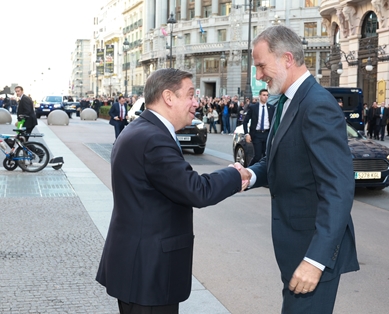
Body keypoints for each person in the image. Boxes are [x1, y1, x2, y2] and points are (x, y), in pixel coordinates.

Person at [96, 68, 250, 314]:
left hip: (138, 266)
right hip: (149, 272)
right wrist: (234, 174)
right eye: (190, 95)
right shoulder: (153, 138)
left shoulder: (140, 129)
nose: (196, 103)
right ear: (168, 97)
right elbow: (196, 190)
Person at [244, 25, 359, 313]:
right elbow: (280, 160)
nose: (258, 76)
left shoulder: (317, 104)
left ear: (286, 59)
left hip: (312, 255)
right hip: (296, 250)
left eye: (261, 66)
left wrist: (316, 260)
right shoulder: (286, 101)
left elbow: (338, 189)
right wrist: (252, 174)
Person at [243, 89, 275, 166]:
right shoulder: (253, 107)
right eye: (264, 95)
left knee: (266, 156)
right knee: (257, 156)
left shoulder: (271, 108)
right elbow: (245, 121)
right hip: (256, 134)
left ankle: (263, 174)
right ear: (259, 96)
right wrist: (247, 134)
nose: (265, 97)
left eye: (267, 95)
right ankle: (249, 170)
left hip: (267, 134)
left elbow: (274, 122)